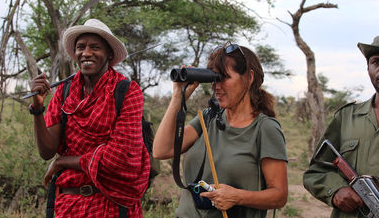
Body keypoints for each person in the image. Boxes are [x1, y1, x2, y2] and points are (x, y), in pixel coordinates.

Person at [29, 19, 150, 218]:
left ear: (109, 54)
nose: (86, 53)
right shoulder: (65, 92)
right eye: (80, 47)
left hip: (112, 204)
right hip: (67, 205)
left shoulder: (127, 91)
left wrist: (63, 162)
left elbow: (118, 159)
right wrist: (38, 107)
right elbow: (46, 151)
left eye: (95, 47)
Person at [153, 42, 288, 218]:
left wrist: (237, 197)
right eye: (214, 78)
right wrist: (179, 96)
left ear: (249, 77)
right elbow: (161, 150)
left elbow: (279, 196)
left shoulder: (265, 128)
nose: (217, 85)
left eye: (224, 77)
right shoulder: (209, 117)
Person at [303, 35, 379, 218]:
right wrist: (336, 190)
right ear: (368, 68)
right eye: (376, 62)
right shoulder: (346, 117)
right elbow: (316, 172)